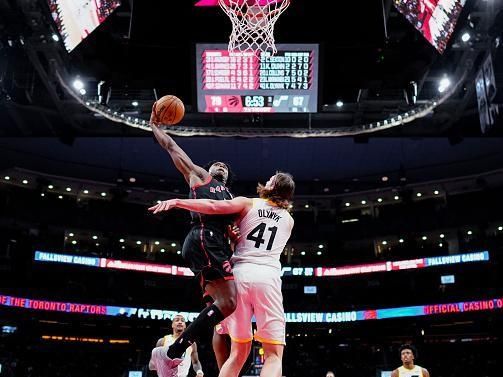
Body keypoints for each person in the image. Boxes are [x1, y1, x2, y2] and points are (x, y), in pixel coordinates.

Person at [149, 172, 295, 377]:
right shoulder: (289, 220)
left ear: (271, 185)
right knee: (273, 355)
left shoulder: (248, 204)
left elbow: (214, 206)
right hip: (268, 277)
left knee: (237, 353)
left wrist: (178, 202)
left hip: (240, 275)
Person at [148, 116, 238, 377]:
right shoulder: (199, 176)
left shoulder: (231, 198)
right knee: (229, 302)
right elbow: (173, 148)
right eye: (217, 164)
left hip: (214, 245)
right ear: (209, 170)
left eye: (225, 166)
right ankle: (173, 352)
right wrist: (156, 127)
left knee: (222, 307)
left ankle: (174, 355)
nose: (221, 166)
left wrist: (232, 235)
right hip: (203, 237)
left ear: (228, 177)